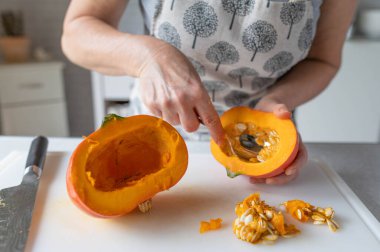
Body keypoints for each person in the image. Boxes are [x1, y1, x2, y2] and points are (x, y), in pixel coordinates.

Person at [61, 0, 357, 184]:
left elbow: (324, 60)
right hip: (152, 133)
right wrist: (147, 57)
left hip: (261, 142)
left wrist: (278, 102)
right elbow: (77, 32)